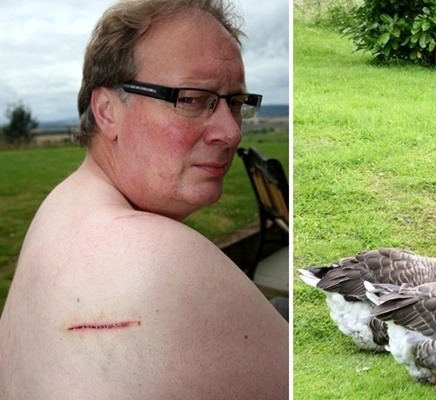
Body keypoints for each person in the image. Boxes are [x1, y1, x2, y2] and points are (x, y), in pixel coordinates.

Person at [0, 0, 289, 398]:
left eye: (236, 103)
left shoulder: (62, 208)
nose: (231, 132)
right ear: (107, 110)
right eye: (190, 99)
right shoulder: (157, 260)